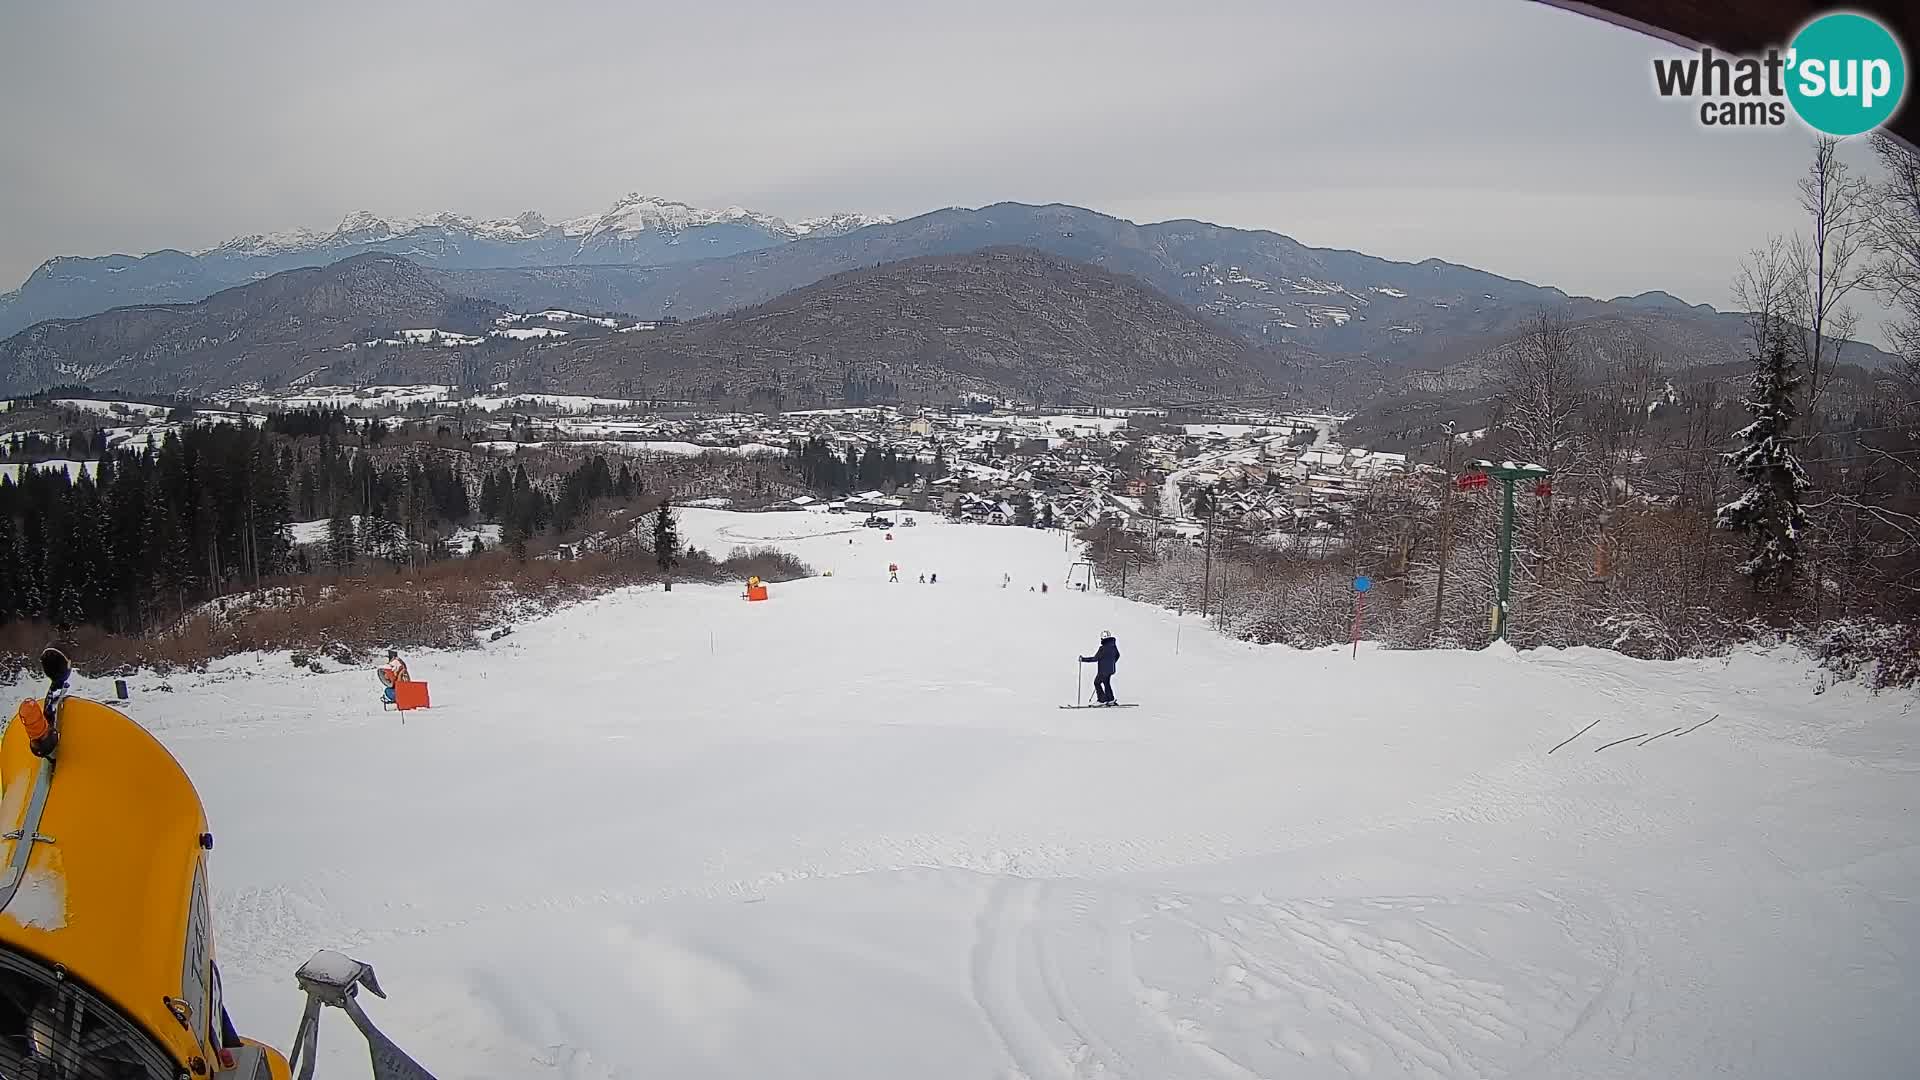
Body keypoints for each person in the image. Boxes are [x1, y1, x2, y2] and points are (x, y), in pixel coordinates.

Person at [1079, 631, 1120, 706]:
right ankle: (1110, 699)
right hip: (1111, 670)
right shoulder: (1113, 646)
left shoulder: (1103, 648)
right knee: (1106, 683)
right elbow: (1117, 655)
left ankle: (1101, 700)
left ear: (1102, 639)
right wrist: (1111, 663)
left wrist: (1083, 659)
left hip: (1103, 671)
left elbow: (1095, 658)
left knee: (1097, 682)